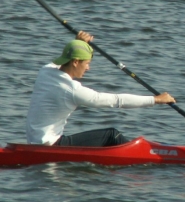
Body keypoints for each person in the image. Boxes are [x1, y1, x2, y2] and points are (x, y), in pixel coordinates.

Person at [26, 31, 176, 147]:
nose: (88, 68)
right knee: (111, 135)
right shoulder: (72, 90)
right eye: (87, 63)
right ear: (76, 62)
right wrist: (155, 100)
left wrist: (79, 43)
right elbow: (117, 100)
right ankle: (143, 156)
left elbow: (63, 58)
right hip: (52, 145)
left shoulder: (45, 71)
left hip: (35, 141)